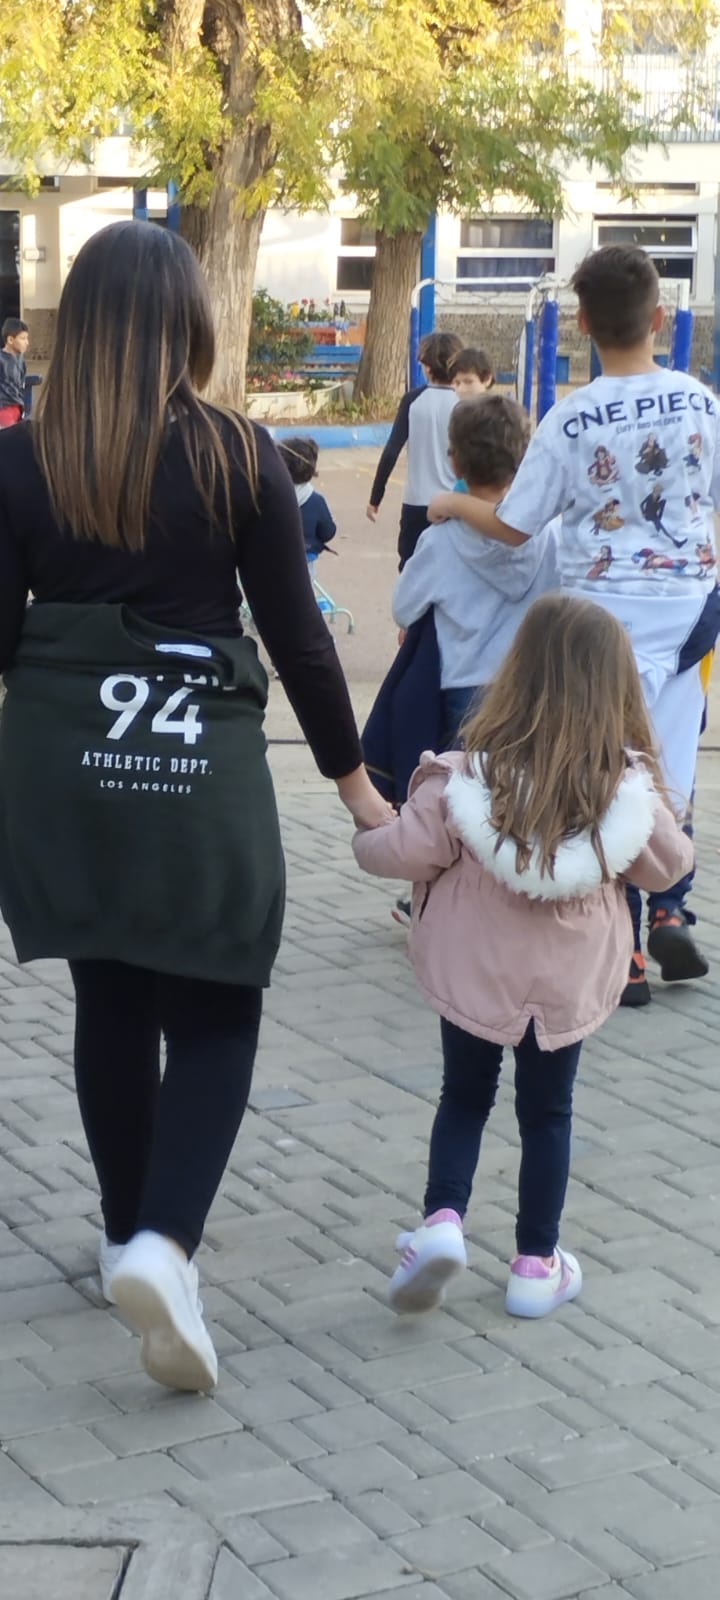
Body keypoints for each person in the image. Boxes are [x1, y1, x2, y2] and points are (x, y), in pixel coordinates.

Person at [0, 221, 391, 1396]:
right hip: (193, 761)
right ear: (188, 323)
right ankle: (165, 1245)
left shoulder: (19, 459)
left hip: (65, 763)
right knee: (219, 1005)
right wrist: (356, 788)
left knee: (110, 992)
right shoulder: (236, 453)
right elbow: (300, 639)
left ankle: (127, 1231)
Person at [353, 594, 692, 1318]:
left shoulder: (466, 778)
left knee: (463, 1097)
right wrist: (660, 794)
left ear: (517, 673)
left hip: (475, 972)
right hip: (567, 984)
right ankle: (536, 1264)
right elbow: (668, 865)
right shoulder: (622, 789)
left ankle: (442, 1222)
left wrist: (366, 831)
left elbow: (401, 851)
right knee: (548, 1114)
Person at [427, 245, 720, 1005]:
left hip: (596, 623)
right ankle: (671, 903)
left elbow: (516, 526)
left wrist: (453, 504)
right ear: (661, 318)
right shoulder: (701, 402)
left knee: (600, 766)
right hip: (689, 613)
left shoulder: (569, 418)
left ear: (581, 323)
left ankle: (624, 952)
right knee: (671, 765)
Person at [392, 394, 560, 749]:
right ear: (523, 459)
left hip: (466, 685)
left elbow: (403, 608)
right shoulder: (551, 533)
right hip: (537, 681)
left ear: (455, 463)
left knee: (468, 777)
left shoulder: (439, 541)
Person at [366, 331, 462, 568]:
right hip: (456, 502)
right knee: (452, 568)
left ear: (427, 367)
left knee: (411, 568)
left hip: (417, 502)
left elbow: (391, 451)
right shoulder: (464, 403)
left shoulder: (412, 400)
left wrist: (375, 497)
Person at [277, 436, 337, 560]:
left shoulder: (270, 497)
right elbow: (328, 532)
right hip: (305, 559)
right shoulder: (315, 500)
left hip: (273, 559)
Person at [0, 318, 29, 428]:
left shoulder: (21, 360)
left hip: (18, 408)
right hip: (3, 409)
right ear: (10, 340)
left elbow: (21, 383)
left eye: (27, 338)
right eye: (23, 338)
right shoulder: (1, 360)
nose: (27, 342)